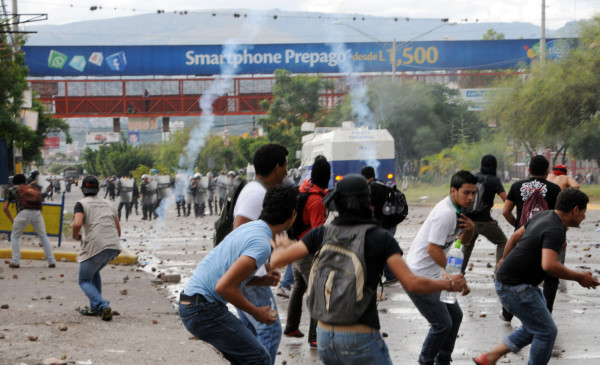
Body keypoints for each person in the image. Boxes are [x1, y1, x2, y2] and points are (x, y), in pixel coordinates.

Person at [270, 174, 467, 364]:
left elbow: (277, 260)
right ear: (370, 204)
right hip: (359, 337)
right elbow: (412, 283)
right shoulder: (380, 238)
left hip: (324, 337)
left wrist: (282, 244)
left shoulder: (322, 233)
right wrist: (449, 283)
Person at [473, 188, 599, 365]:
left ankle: (489, 357)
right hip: (516, 288)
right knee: (546, 332)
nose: (585, 217)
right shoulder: (556, 229)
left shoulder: (545, 216)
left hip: (512, 284)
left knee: (535, 327)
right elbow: (548, 265)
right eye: (584, 212)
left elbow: (515, 236)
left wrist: (504, 259)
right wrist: (579, 277)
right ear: (575, 210)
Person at [179, 185, 296, 364]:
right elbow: (223, 287)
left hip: (192, 305)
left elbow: (228, 278)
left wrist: (259, 280)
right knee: (260, 358)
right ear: (292, 215)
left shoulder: (251, 228)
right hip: (203, 310)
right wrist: (256, 312)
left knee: (245, 359)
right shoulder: (262, 243)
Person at [405, 170, 476, 365]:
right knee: (442, 324)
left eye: (474, 193)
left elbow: (460, 242)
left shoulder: (458, 211)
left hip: (434, 274)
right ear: (453, 190)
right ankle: (426, 361)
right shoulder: (445, 213)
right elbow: (433, 249)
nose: (471, 198)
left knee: (455, 316)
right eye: (466, 193)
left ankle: (443, 359)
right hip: (419, 276)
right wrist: (453, 275)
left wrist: (470, 230)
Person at [233, 143, 289, 365]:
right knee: (270, 329)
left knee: (251, 334)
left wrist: (264, 264)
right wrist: (253, 271)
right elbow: (239, 232)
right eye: (285, 166)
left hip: (245, 272)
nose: (286, 172)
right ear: (277, 167)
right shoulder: (257, 193)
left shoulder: (256, 190)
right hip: (245, 273)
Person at [501, 155, 561, 321]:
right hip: (546, 237)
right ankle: (546, 312)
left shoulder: (516, 186)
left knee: (516, 274)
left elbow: (505, 211)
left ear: (529, 170)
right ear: (547, 171)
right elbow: (559, 216)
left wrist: (518, 227)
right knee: (550, 275)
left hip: (522, 237)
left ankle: (507, 313)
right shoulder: (555, 189)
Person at [282, 156, 331, 347]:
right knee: (317, 290)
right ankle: (315, 336)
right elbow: (318, 231)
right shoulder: (316, 201)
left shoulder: (303, 189)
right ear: (326, 177)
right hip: (307, 251)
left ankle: (292, 327)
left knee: (298, 286)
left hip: (295, 246)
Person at [71, 176, 122, 321]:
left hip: (96, 246)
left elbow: (77, 224)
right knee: (94, 273)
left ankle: (102, 305)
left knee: (84, 280)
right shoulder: (109, 203)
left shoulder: (81, 203)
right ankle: (95, 308)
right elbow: (118, 230)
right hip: (113, 246)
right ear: (98, 189)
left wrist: (76, 236)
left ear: (82, 190)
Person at [461, 154, 508, 274]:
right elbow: (505, 199)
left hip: (468, 220)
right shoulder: (494, 180)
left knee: (467, 245)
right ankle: (499, 272)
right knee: (502, 242)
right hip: (485, 221)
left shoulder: (472, 176)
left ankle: (458, 272)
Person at [3, 174, 56, 269]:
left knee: (15, 236)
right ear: (24, 181)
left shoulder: (11, 189)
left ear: (13, 182)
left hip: (23, 213)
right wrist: (38, 217)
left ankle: (15, 261)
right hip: (37, 213)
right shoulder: (32, 188)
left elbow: (5, 207)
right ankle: (51, 261)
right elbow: (40, 204)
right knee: (43, 236)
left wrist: (12, 220)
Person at [361, 165, 400, 284]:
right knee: (384, 249)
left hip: (383, 224)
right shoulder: (382, 183)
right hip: (391, 222)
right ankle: (389, 275)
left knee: (382, 251)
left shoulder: (371, 187)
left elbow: (371, 208)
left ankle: (391, 275)